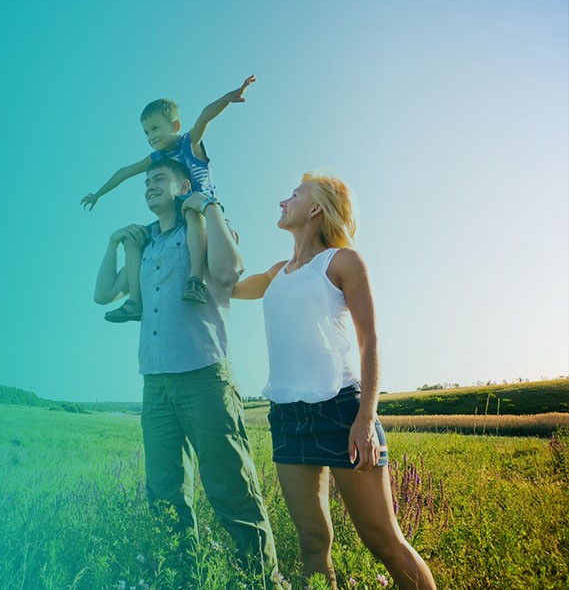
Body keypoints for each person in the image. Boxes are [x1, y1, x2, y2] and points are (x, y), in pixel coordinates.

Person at [232, 174, 436, 589]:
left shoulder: (343, 262)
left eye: (293, 194)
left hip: (342, 411)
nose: (282, 201)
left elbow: (370, 340)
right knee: (312, 542)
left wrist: (365, 419)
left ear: (315, 208)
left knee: (383, 541)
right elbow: (224, 289)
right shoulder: (277, 274)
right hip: (287, 417)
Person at [93, 157, 278, 582]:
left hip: (204, 374)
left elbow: (230, 272)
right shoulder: (146, 246)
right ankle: (182, 578)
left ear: (181, 186)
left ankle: (262, 580)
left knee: (230, 487)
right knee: (164, 494)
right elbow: (103, 293)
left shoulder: (202, 227)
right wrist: (113, 243)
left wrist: (208, 205)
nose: (148, 186)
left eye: (158, 178)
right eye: (145, 182)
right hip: (155, 383)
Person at [82, 76, 256, 323]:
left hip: (200, 207)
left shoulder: (189, 143)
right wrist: (99, 193)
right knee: (134, 240)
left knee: (191, 212)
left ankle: (195, 279)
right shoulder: (156, 157)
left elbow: (205, 116)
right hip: (174, 215)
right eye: (145, 132)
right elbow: (125, 171)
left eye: (155, 129)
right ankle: (135, 302)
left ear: (174, 126)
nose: (150, 136)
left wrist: (228, 98)